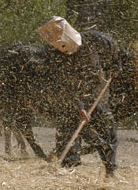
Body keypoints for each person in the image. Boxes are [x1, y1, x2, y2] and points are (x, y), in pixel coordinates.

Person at [38, 17, 121, 177]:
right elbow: (65, 86)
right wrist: (79, 107)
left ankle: (110, 170)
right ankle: (68, 169)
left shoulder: (95, 39)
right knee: (67, 132)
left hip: (96, 94)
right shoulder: (57, 57)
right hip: (71, 99)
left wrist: (115, 66)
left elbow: (112, 47)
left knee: (108, 131)